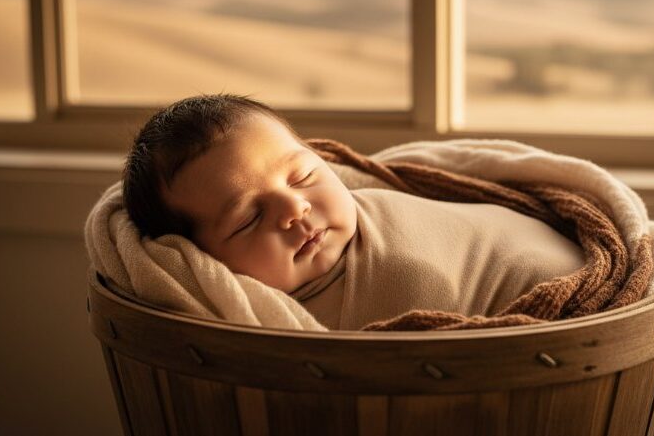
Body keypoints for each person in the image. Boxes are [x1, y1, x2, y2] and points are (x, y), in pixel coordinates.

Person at [123, 94, 584, 329]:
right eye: (247, 219)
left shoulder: (382, 221)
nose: (294, 208)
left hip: (557, 282)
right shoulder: (269, 317)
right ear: (197, 257)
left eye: (303, 175)